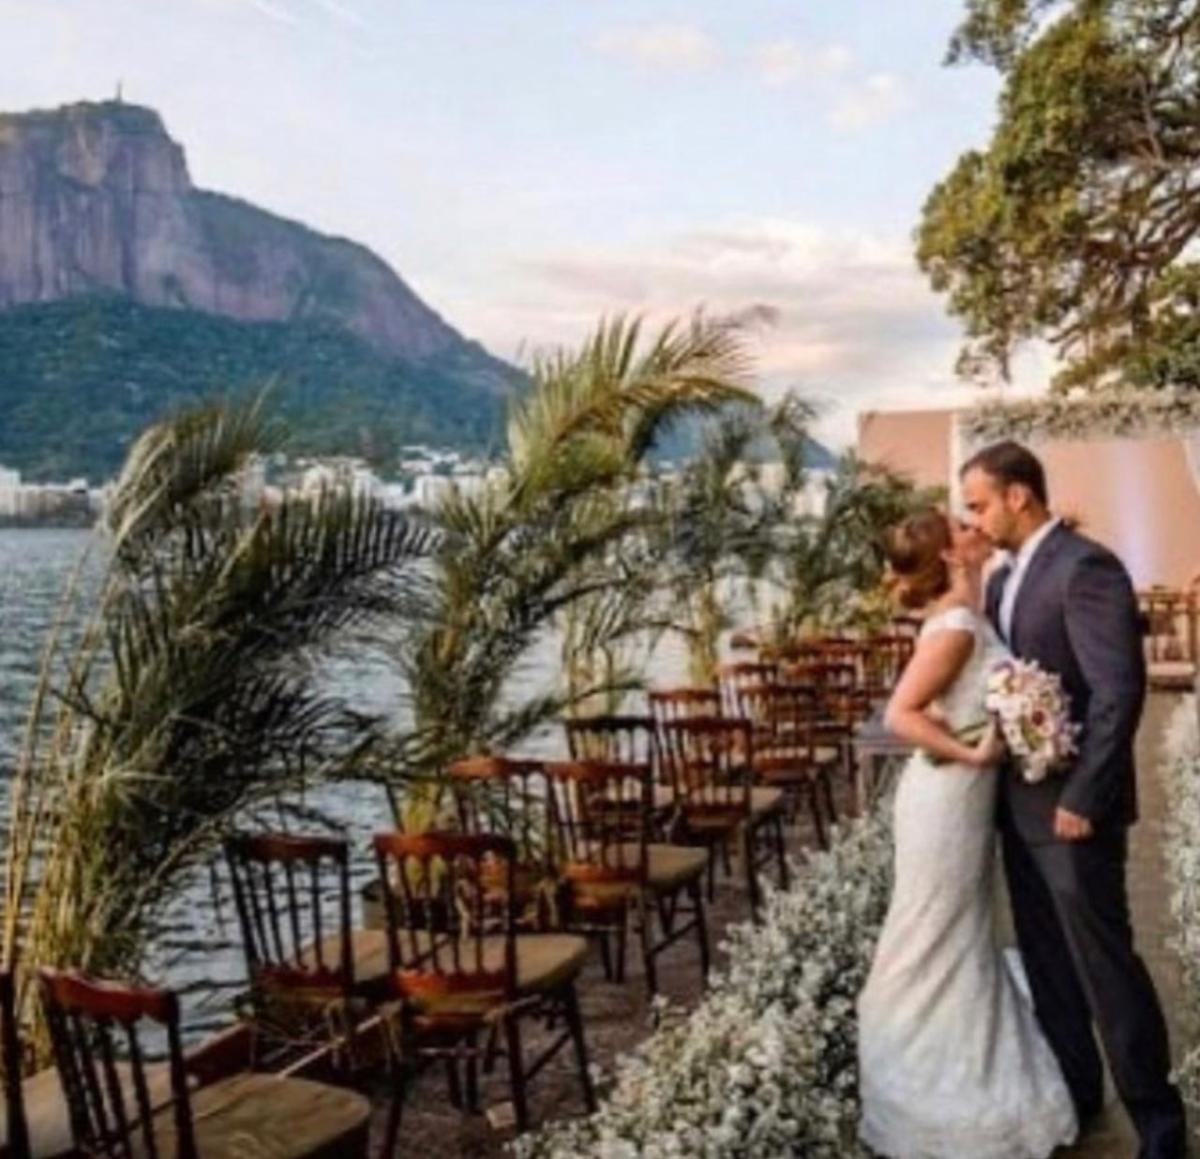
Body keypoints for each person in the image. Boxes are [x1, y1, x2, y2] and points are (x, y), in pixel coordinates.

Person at [960, 440, 1186, 1159]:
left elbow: (1118, 691)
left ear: (1018, 495)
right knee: (1049, 968)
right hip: (1018, 807)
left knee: (1106, 969)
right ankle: (1078, 1097)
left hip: (1074, 812)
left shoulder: (1087, 567)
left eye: (979, 504)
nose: (974, 519)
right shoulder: (1001, 578)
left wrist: (1085, 796)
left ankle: (1159, 1127)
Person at [858, 508, 1077, 1158]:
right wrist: (974, 754)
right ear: (952, 556)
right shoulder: (954, 627)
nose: (974, 527)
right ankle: (921, 1075)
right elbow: (901, 714)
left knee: (964, 927)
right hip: (945, 799)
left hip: (965, 800)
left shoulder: (969, 611)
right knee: (933, 927)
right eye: (961, 526)